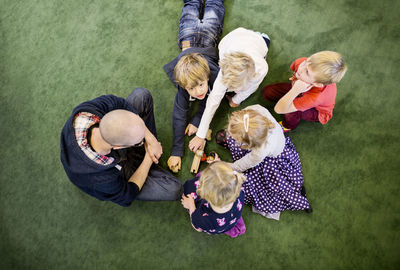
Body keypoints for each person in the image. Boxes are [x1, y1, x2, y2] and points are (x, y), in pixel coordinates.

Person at [60, 88, 183, 206]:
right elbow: (127, 195)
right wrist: (149, 158)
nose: (143, 140)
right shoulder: (103, 178)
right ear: (118, 147)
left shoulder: (89, 111)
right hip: (117, 171)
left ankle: (144, 153)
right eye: (139, 142)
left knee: (141, 95)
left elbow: (119, 103)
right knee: (175, 189)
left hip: (111, 151)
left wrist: (150, 139)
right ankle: (146, 161)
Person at [216, 105, 311, 220]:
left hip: (273, 163)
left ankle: (296, 196)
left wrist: (221, 165)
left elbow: (240, 166)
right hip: (273, 147)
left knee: (251, 186)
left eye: (237, 139)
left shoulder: (260, 152)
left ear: (250, 145)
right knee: (228, 139)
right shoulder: (257, 110)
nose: (231, 136)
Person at [163, 0, 225, 173]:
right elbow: (179, 114)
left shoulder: (214, 77)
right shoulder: (185, 84)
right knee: (192, 5)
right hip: (192, 38)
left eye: (201, 85)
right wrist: (176, 151)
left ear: (207, 77)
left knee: (212, 5)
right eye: (192, 88)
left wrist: (197, 120)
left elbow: (212, 99)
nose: (199, 92)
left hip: (201, 38)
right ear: (184, 86)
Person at [189, 27, 270, 153]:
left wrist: (236, 99)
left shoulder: (261, 69)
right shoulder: (226, 66)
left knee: (264, 42)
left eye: (233, 86)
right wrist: (201, 134)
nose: (229, 88)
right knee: (220, 89)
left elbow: (251, 88)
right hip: (232, 39)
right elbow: (213, 101)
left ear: (253, 75)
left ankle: (261, 35)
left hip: (256, 42)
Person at [262, 51, 347, 132]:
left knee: (291, 112)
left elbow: (278, 109)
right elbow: (297, 72)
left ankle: (288, 126)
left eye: (307, 72)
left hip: (317, 111)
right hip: (301, 91)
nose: (300, 69)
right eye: (306, 62)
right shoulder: (302, 63)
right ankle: (289, 100)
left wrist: (295, 91)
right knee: (268, 92)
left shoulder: (316, 97)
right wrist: (295, 82)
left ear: (317, 84)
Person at [181, 161, 246, 237]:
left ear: (206, 196)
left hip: (216, 225)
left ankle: (227, 227)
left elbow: (198, 228)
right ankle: (233, 225)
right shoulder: (239, 191)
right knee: (230, 219)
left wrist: (191, 206)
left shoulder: (207, 220)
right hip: (232, 215)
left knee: (189, 187)